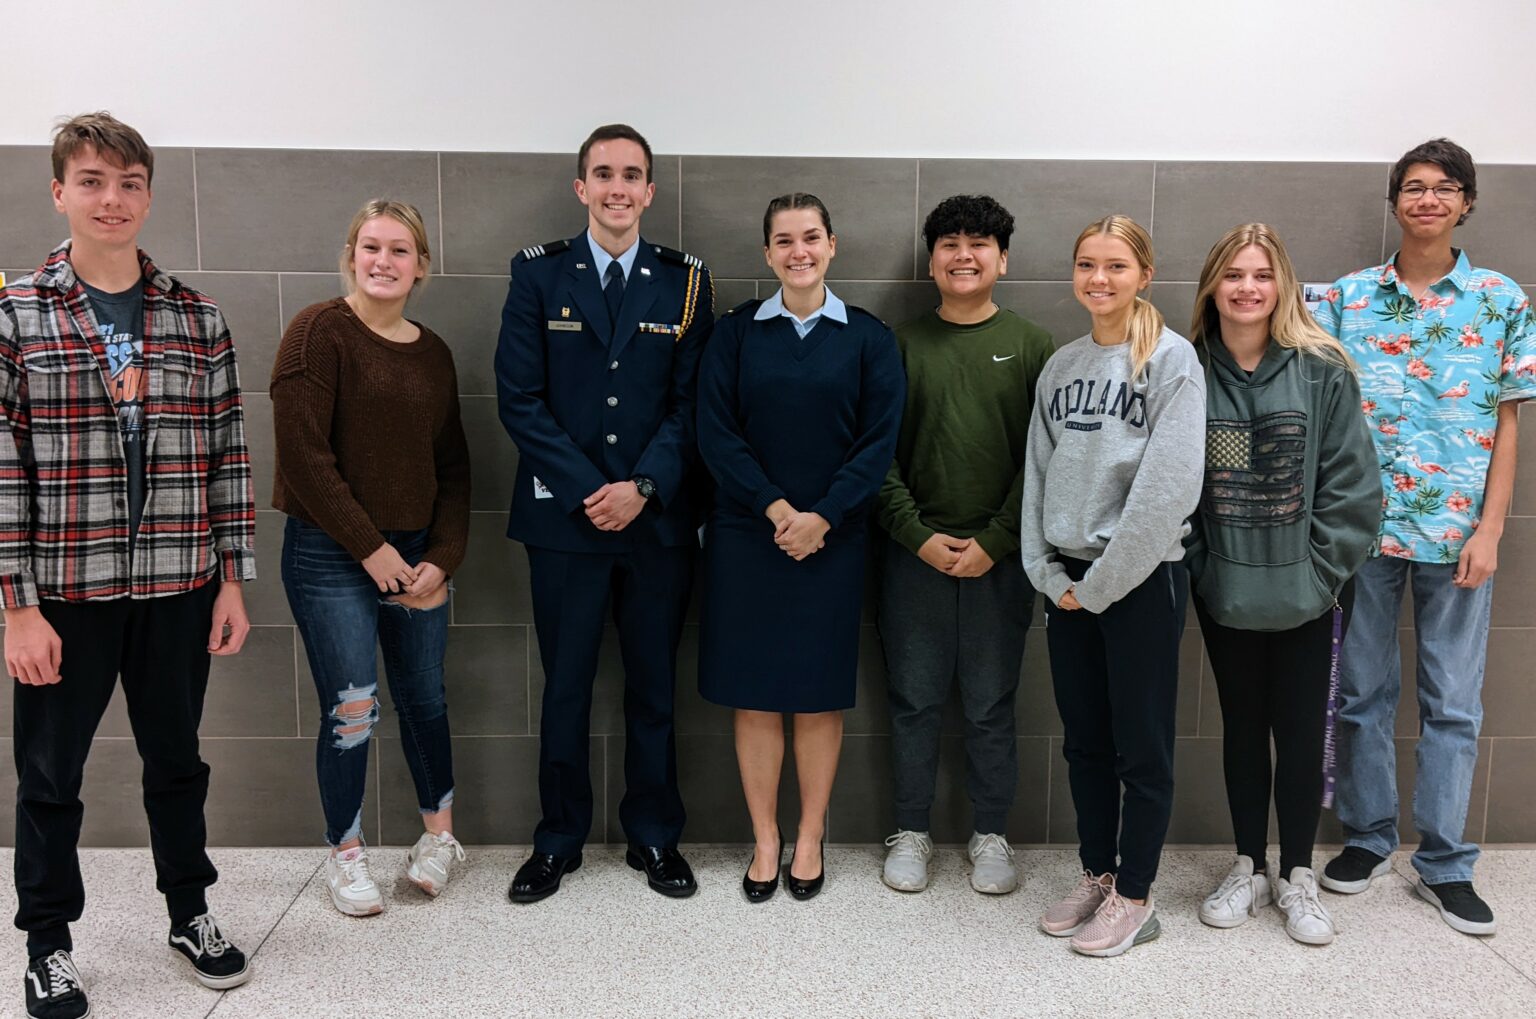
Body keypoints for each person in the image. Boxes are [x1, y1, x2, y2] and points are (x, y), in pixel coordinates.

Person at [0, 112, 255, 1019]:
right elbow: (0, 467)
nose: (114, 200)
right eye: (95, 181)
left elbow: (229, 454)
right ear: (60, 191)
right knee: (50, 775)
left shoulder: (197, 316)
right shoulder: (17, 313)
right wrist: (15, 606)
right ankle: (47, 943)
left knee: (177, 760)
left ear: (148, 193)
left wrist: (231, 578)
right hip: (67, 590)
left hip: (181, 584)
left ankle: (190, 911)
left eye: (130, 182)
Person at [1313, 139, 1535, 936]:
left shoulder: (1501, 299)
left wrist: (1492, 527)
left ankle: (1445, 864)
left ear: (1467, 201)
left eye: (1445, 189)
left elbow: (1508, 422)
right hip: (1360, 534)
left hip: (1456, 535)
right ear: (1396, 200)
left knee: (1453, 702)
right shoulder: (1343, 299)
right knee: (1361, 692)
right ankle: (1368, 840)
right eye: (1414, 187)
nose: (1428, 199)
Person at [495, 124, 714, 902]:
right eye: (603, 174)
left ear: (650, 191)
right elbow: (519, 399)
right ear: (580, 187)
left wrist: (643, 487)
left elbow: (692, 404)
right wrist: (597, 489)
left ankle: (655, 834)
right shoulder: (538, 274)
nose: (618, 187)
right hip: (564, 521)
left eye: (632, 175)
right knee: (566, 687)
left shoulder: (685, 280)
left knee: (654, 686)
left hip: (655, 523)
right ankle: (557, 838)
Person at [697, 192, 904, 903]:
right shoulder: (735, 335)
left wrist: (824, 515)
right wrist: (779, 507)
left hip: (834, 542)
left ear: (832, 244)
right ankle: (766, 839)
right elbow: (716, 434)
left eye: (810, 237)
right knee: (754, 698)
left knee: (817, 697)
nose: (798, 252)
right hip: (747, 537)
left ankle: (810, 835)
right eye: (783, 241)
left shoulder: (869, 339)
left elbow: (878, 444)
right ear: (767, 254)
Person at [271, 199, 471, 917]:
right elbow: (303, 456)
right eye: (370, 247)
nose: (383, 261)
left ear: (421, 265)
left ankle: (440, 838)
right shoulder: (319, 332)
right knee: (353, 703)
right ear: (351, 254)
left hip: (415, 556)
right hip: (331, 556)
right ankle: (347, 852)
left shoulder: (434, 352)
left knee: (424, 696)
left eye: (399, 250)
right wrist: (372, 549)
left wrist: (441, 559)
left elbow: (453, 468)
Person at [1184, 224, 1380, 945]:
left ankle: (1298, 873)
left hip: (1314, 592)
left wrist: (1318, 575)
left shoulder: (1323, 369)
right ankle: (1248, 865)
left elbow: (1353, 491)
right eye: (1232, 273)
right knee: (1243, 729)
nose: (1246, 287)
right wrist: (1205, 567)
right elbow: (1178, 486)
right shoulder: (1185, 368)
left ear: (1282, 285)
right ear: (1212, 284)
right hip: (1224, 588)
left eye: (1261, 275)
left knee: (1300, 734)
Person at [1021, 214, 1205, 957]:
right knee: (1086, 744)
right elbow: (1034, 474)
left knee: (1142, 748)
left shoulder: (1170, 361)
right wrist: (1044, 570)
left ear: (1144, 274)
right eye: (1087, 264)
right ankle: (1098, 872)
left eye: (1117, 266)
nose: (1100, 278)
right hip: (1064, 586)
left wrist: (1098, 585)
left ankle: (1136, 894)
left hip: (1138, 582)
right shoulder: (1061, 366)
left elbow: (1167, 492)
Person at [876, 195, 1052, 896]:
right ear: (932, 259)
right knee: (913, 700)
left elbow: (1044, 461)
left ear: (1002, 260)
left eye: (979, 243)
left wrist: (998, 539)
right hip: (910, 555)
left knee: (990, 703)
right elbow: (874, 458)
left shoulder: (1035, 347)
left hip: (1000, 561)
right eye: (949, 242)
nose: (963, 254)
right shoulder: (900, 345)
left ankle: (989, 832)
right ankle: (911, 829)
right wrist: (917, 536)